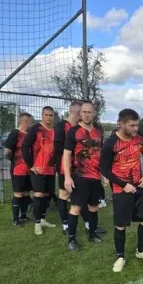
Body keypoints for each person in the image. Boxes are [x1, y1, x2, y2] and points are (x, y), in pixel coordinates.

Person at [100, 109, 143, 273]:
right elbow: (105, 170)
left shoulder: (140, 138)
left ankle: (141, 250)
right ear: (121, 123)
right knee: (120, 225)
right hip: (121, 190)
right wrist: (123, 184)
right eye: (132, 125)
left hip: (139, 187)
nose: (135, 128)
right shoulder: (110, 144)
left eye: (137, 125)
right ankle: (120, 257)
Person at [63, 101, 104, 251]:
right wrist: (67, 177)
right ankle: (72, 240)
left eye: (89, 112)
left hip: (95, 177)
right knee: (76, 208)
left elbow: (101, 155)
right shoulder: (73, 131)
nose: (87, 115)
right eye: (84, 112)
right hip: (80, 176)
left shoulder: (98, 133)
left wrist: (103, 174)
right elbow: (66, 155)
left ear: (94, 113)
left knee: (93, 208)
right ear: (80, 113)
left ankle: (92, 234)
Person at [22, 106, 57, 235]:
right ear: (42, 115)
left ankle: (42, 219)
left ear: (53, 117)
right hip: (38, 169)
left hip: (50, 169)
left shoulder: (53, 130)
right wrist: (31, 165)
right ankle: (37, 223)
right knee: (39, 195)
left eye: (51, 115)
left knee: (47, 195)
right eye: (46, 115)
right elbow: (25, 146)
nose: (48, 117)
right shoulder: (35, 129)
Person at [54, 100, 81, 234]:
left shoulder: (78, 127)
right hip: (65, 168)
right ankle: (65, 225)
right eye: (81, 113)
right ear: (76, 113)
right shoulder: (61, 126)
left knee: (81, 194)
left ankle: (89, 224)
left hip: (79, 168)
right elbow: (58, 149)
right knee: (64, 195)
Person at [4, 112, 34, 226]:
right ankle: (15, 219)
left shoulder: (29, 135)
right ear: (25, 121)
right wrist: (15, 161)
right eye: (31, 122)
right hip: (18, 169)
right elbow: (7, 151)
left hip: (28, 170)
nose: (32, 124)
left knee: (26, 193)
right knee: (18, 193)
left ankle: (23, 215)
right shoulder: (15, 133)